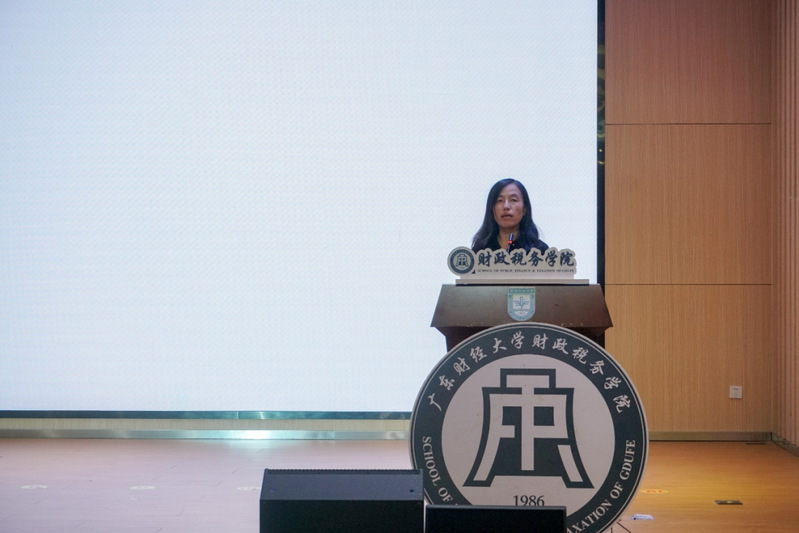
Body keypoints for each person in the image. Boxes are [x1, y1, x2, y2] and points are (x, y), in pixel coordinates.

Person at [471, 178, 548, 254]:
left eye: (513, 200)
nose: (506, 206)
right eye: (500, 200)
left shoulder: (539, 251)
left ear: (525, 209)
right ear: (492, 209)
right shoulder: (480, 251)